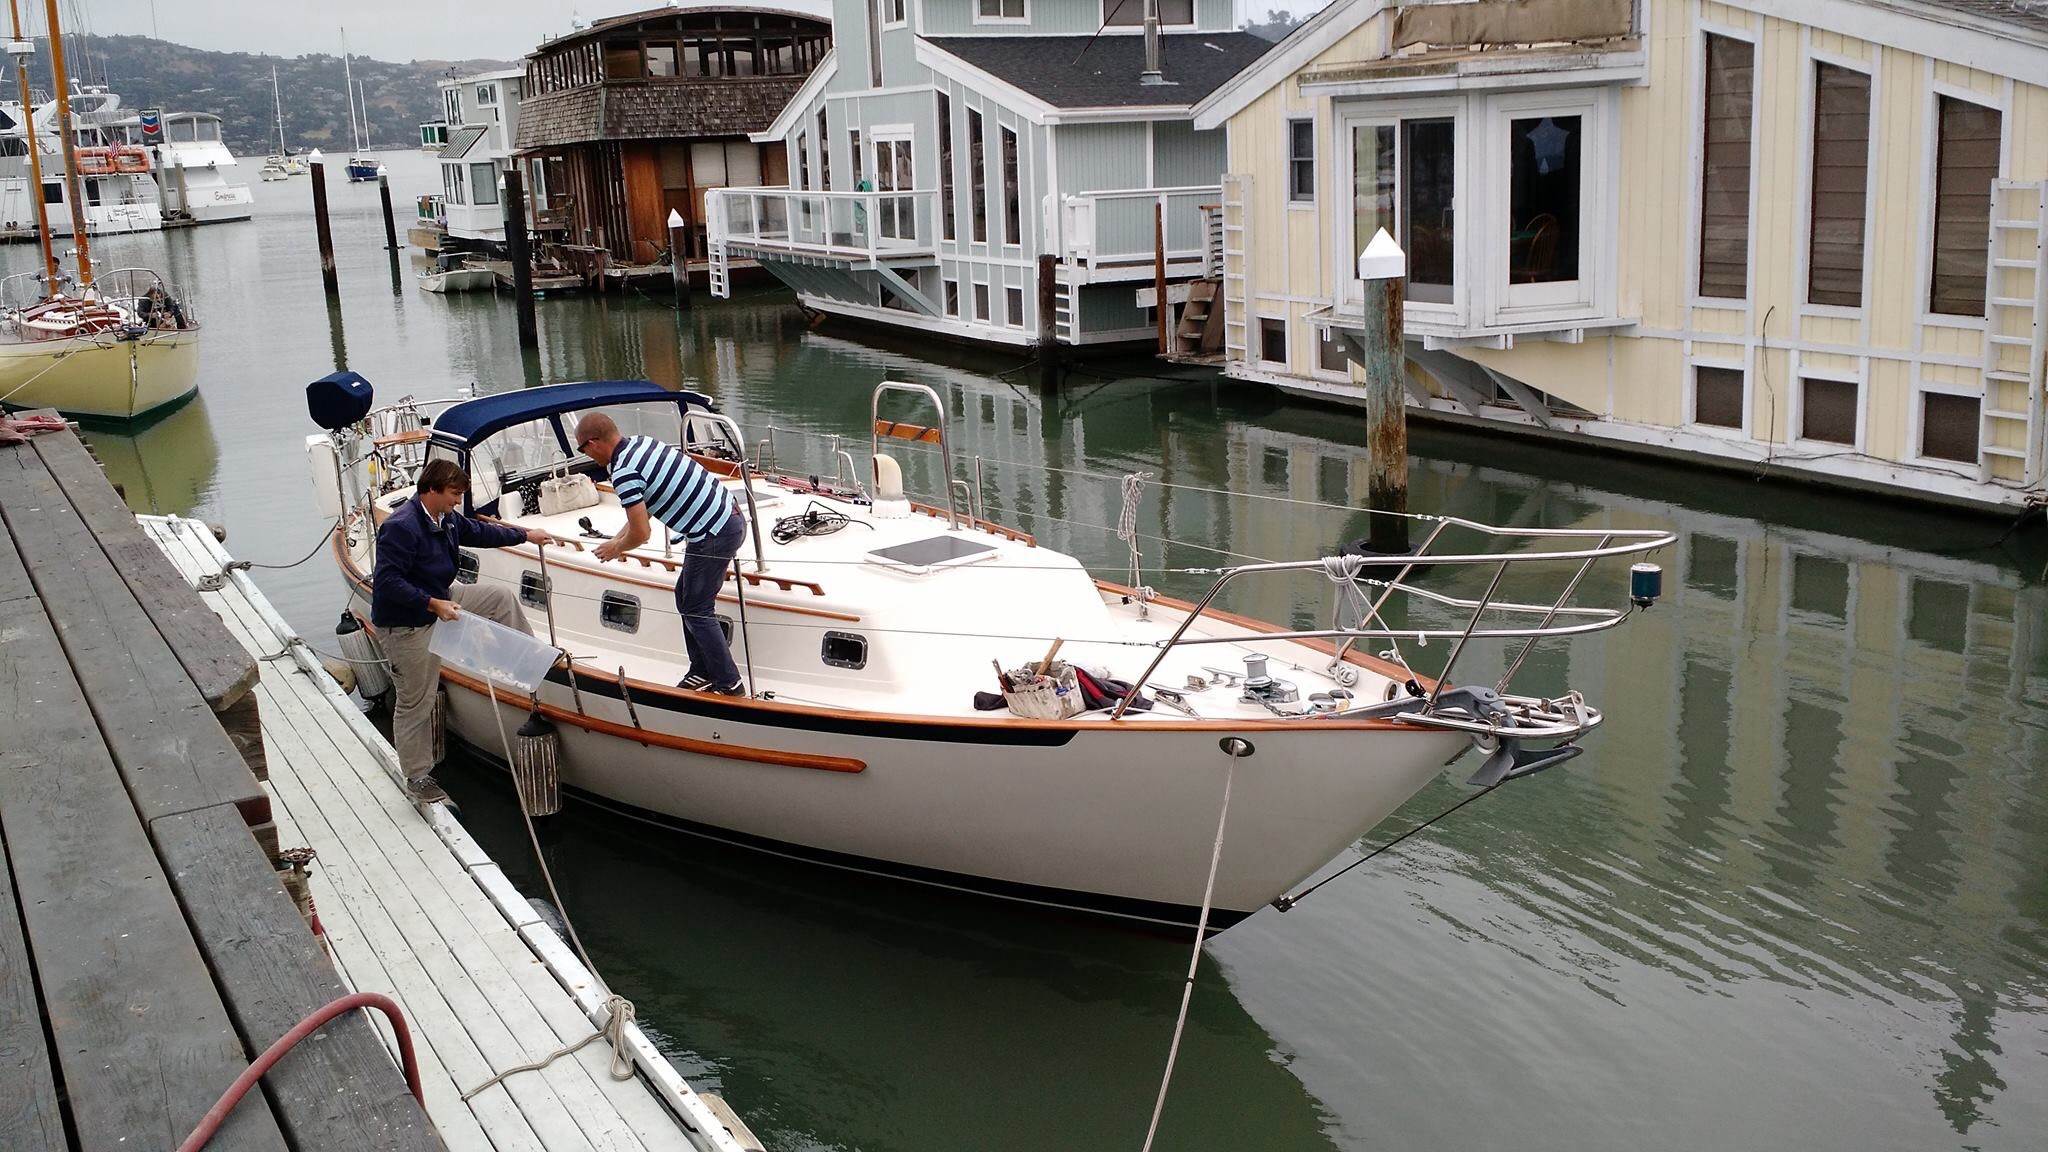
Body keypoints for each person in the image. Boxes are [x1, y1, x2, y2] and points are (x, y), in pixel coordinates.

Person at [372, 458, 554, 803]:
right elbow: (387, 583)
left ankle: (526, 660)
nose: (458, 501)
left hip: (441, 598)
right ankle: (417, 777)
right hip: (407, 623)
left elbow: (480, 532)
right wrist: (433, 605)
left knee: (499, 597)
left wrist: (525, 535)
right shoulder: (401, 527)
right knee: (416, 701)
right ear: (432, 489)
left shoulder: (446, 518)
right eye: (454, 494)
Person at [573, 411, 746, 694]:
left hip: (713, 533)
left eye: (583, 450)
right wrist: (617, 539)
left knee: (697, 608)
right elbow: (649, 504)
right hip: (726, 518)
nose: (587, 456)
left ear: (592, 443)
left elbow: (641, 533)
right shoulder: (641, 444)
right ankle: (701, 670)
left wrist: (616, 549)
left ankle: (729, 684)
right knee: (685, 596)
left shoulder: (624, 472)